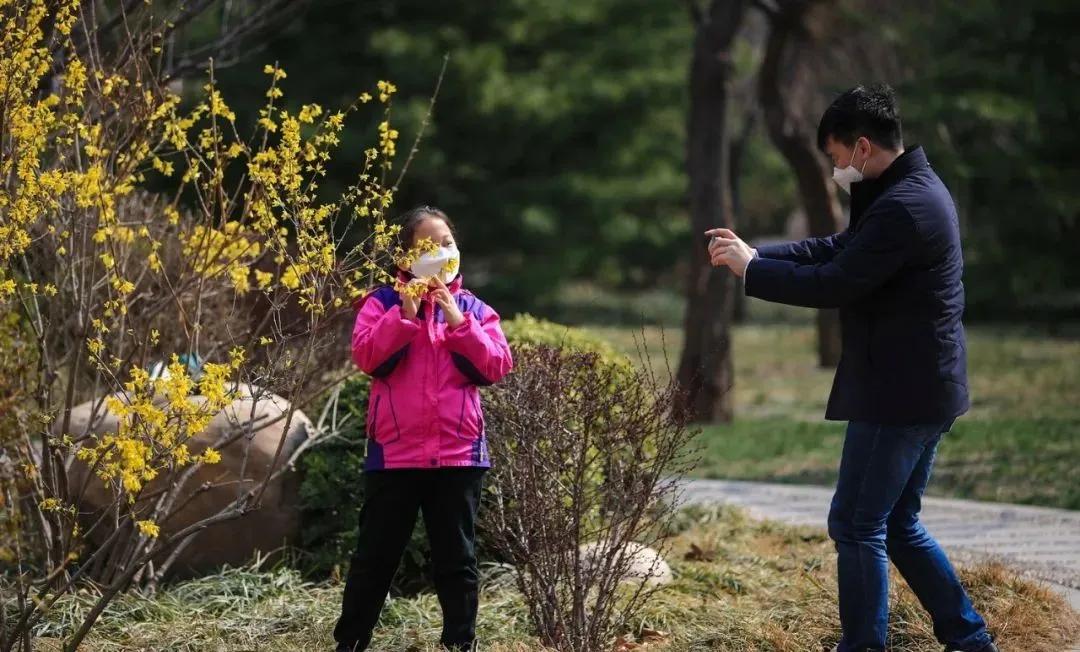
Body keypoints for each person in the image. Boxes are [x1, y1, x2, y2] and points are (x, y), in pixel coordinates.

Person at [707, 85, 997, 652]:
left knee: (856, 524)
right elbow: (838, 249)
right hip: (923, 388)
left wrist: (751, 273)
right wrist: (757, 253)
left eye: (837, 157)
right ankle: (971, 641)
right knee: (898, 527)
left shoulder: (905, 207)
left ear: (862, 147)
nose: (836, 169)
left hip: (900, 393)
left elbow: (836, 282)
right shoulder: (903, 191)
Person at [333, 206, 514, 652]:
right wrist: (406, 318)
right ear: (406, 255)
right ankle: (350, 644)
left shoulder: (474, 308)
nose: (442, 252)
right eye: (429, 246)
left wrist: (458, 323)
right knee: (374, 560)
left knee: (458, 562)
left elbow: (495, 365)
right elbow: (368, 359)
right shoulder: (382, 304)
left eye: (448, 243)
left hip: (458, 455)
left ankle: (459, 645)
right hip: (395, 455)